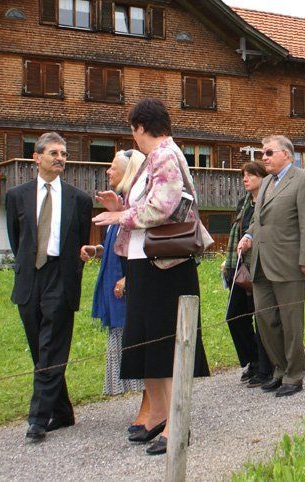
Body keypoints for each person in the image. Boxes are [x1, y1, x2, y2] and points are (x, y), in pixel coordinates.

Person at [92, 99, 210, 455]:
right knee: (146, 342)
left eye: (132, 128)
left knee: (166, 344)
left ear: (139, 127)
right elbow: (149, 206)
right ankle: (158, 413)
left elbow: (163, 205)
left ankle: (177, 423)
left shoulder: (165, 155)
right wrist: (122, 207)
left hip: (166, 266)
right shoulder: (153, 159)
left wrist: (120, 217)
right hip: (145, 263)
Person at [5, 132, 93, 442]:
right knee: (40, 349)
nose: (60, 158)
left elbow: (81, 242)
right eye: (54, 153)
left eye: (64, 154)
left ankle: (38, 419)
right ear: (37, 157)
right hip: (30, 277)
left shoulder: (79, 200)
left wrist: (74, 270)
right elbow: (17, 239)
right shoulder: (16, 196)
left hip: (61, 276)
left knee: (52, 346)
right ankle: (63, 412)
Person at [237, 135, 305, 397]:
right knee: (265, 319)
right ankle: (280, 370)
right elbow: (258, 219)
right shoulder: (266, 183)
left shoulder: (304, 179)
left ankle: (294, 376)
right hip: (261, 263)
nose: (264, 157)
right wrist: (249, 235)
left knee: (290, 323)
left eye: (269, 152)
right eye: (263, 153)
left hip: (290, 264)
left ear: (287, 154)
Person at [80, 150, 149, 432]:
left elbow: (141, 245)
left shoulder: (135, 205)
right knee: (124, 344)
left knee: (139, 347)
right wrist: (97, 250)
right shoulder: (121, 204)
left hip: (130, 293)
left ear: (129, 170)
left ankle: (150, 407)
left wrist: (129, 277)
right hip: (115, 293)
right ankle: (147, 405)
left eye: (112, 167)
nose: (108, 171)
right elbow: (117, 244)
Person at [222, 161, 273, 388]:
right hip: (240, 268)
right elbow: (237, 232)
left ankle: (265, 367)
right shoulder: (243, 203)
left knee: (261, 317)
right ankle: (253, 359)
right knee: (234, 315)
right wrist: (229, 260)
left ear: (263, 177)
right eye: (244, 175)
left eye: (251, 175)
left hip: (260, 267)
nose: (245, 179)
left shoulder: (268, 202)